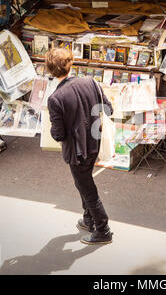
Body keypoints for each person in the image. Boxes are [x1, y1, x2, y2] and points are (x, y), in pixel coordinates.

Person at [46, 48, 114, 245]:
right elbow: (108, 109)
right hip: (95, 141)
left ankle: (103, 230)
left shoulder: (55, 99)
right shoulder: (90, 81)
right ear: (71, 63)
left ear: (50, 70)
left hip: (77, 151)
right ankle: (89, 219)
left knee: (87, 188)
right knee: (83, 183)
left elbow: (58, 134)